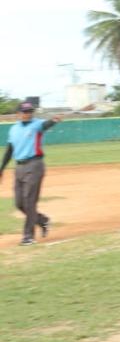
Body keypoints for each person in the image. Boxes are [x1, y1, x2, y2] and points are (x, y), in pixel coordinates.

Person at [1, 102, 61, 245]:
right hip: (19, 168)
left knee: (29, 201)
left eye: (30, 111)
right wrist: (2, 168)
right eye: (25, 111)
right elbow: (10, 150)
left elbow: (46, 124)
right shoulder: (13, 129)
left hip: (34, 165)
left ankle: (28, 237)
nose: (28, 114)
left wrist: (53, 120)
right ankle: (42, 220)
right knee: (19, 203)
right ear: (18, 114)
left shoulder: (37, 124)